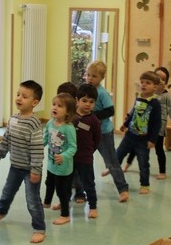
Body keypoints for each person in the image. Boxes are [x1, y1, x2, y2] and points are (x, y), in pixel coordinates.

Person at [0, 80, 46, 244]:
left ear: (34, 102)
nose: (19, 98)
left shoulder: (34, 124)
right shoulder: (13, 119)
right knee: (7, 193)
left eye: (24, 96)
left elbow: (37, 149)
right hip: (15, 166)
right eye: (18, 94)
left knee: (32, 200)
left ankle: (39, 228)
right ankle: (1, 212)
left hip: (30, 170)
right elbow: (6, 140)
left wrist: (35, 170)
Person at [122, 67, 171, 180]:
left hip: (158, 128)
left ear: (166, 83)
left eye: (163, 79)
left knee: (159, 150)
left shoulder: (166, 96)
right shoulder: (145, 94)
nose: (160, 81)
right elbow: (136, 107)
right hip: (144, 127)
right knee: (136, 147)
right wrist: (129, 115)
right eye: (158, 77)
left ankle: (162, 171)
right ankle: (127, 164)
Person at [87, 61, 130, 202]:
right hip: (89, 133)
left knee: (111, 162)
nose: (90, 78)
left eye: (94, 76)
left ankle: (123, 189)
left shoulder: (102, 93)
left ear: (102, 78)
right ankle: (77, 187)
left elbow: (110, 110)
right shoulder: (86, 90)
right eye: (88, 75)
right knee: (82, 158)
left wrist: (93, 116)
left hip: (103, 133)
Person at [116, 71, 162, 194]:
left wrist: (153, 140)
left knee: (143, 163)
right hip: (130, 135)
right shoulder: (139, 98)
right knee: (118, 154)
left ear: (155, 87)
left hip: (143, 140)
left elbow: (157, 123)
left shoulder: (155, 103)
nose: (144, 85)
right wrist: (125, 124)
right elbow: (133, 115)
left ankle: (145, 185)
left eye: (148, 83)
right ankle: (113, 170)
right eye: (142, 82)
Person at [42, 93, 77, 225]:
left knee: (61, 191)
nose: (55, 107)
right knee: (49, 183)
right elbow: (45, 139)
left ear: (68, 112)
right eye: (54, 104)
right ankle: (47, 202)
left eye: (60, 106)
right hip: (51, 163)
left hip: (63, 167)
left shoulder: (68, 128)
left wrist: (63, 156)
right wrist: (37, 147)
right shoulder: (50, 123)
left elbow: (73, 147)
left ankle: (65, 215)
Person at [73, 84, 102, 218]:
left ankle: (93, 206)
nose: (87, 104)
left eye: (91, 102)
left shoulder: (94, 121)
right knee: (66, 181)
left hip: (85, 158)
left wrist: (89, 152)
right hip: (70, 156)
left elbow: (97, 140)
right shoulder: (71, 116)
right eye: (84, 101)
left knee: (88, 182)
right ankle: (63, 202)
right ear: (77, 100)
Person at [56, 82, 86, 203]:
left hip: (76, 152)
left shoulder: (78, 118)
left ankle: (80, 193)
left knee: (77, 173)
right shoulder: (57, 116)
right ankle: (65, 195)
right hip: (63, 152)